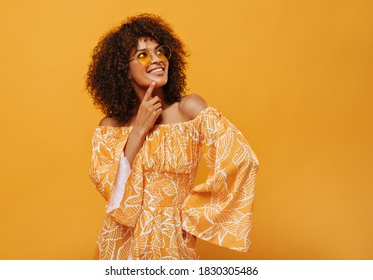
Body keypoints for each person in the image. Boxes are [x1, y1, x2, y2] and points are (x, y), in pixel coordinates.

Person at [86, 13, 259, 260]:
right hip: (119, 248)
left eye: (161, 51)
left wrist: (192, 215)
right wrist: (138, 132)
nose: (157, 59)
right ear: (124, 69)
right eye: (143, 54)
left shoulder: (188, 109)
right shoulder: (110, 127)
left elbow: (242, 159)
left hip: (172, 244)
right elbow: (115, 201)